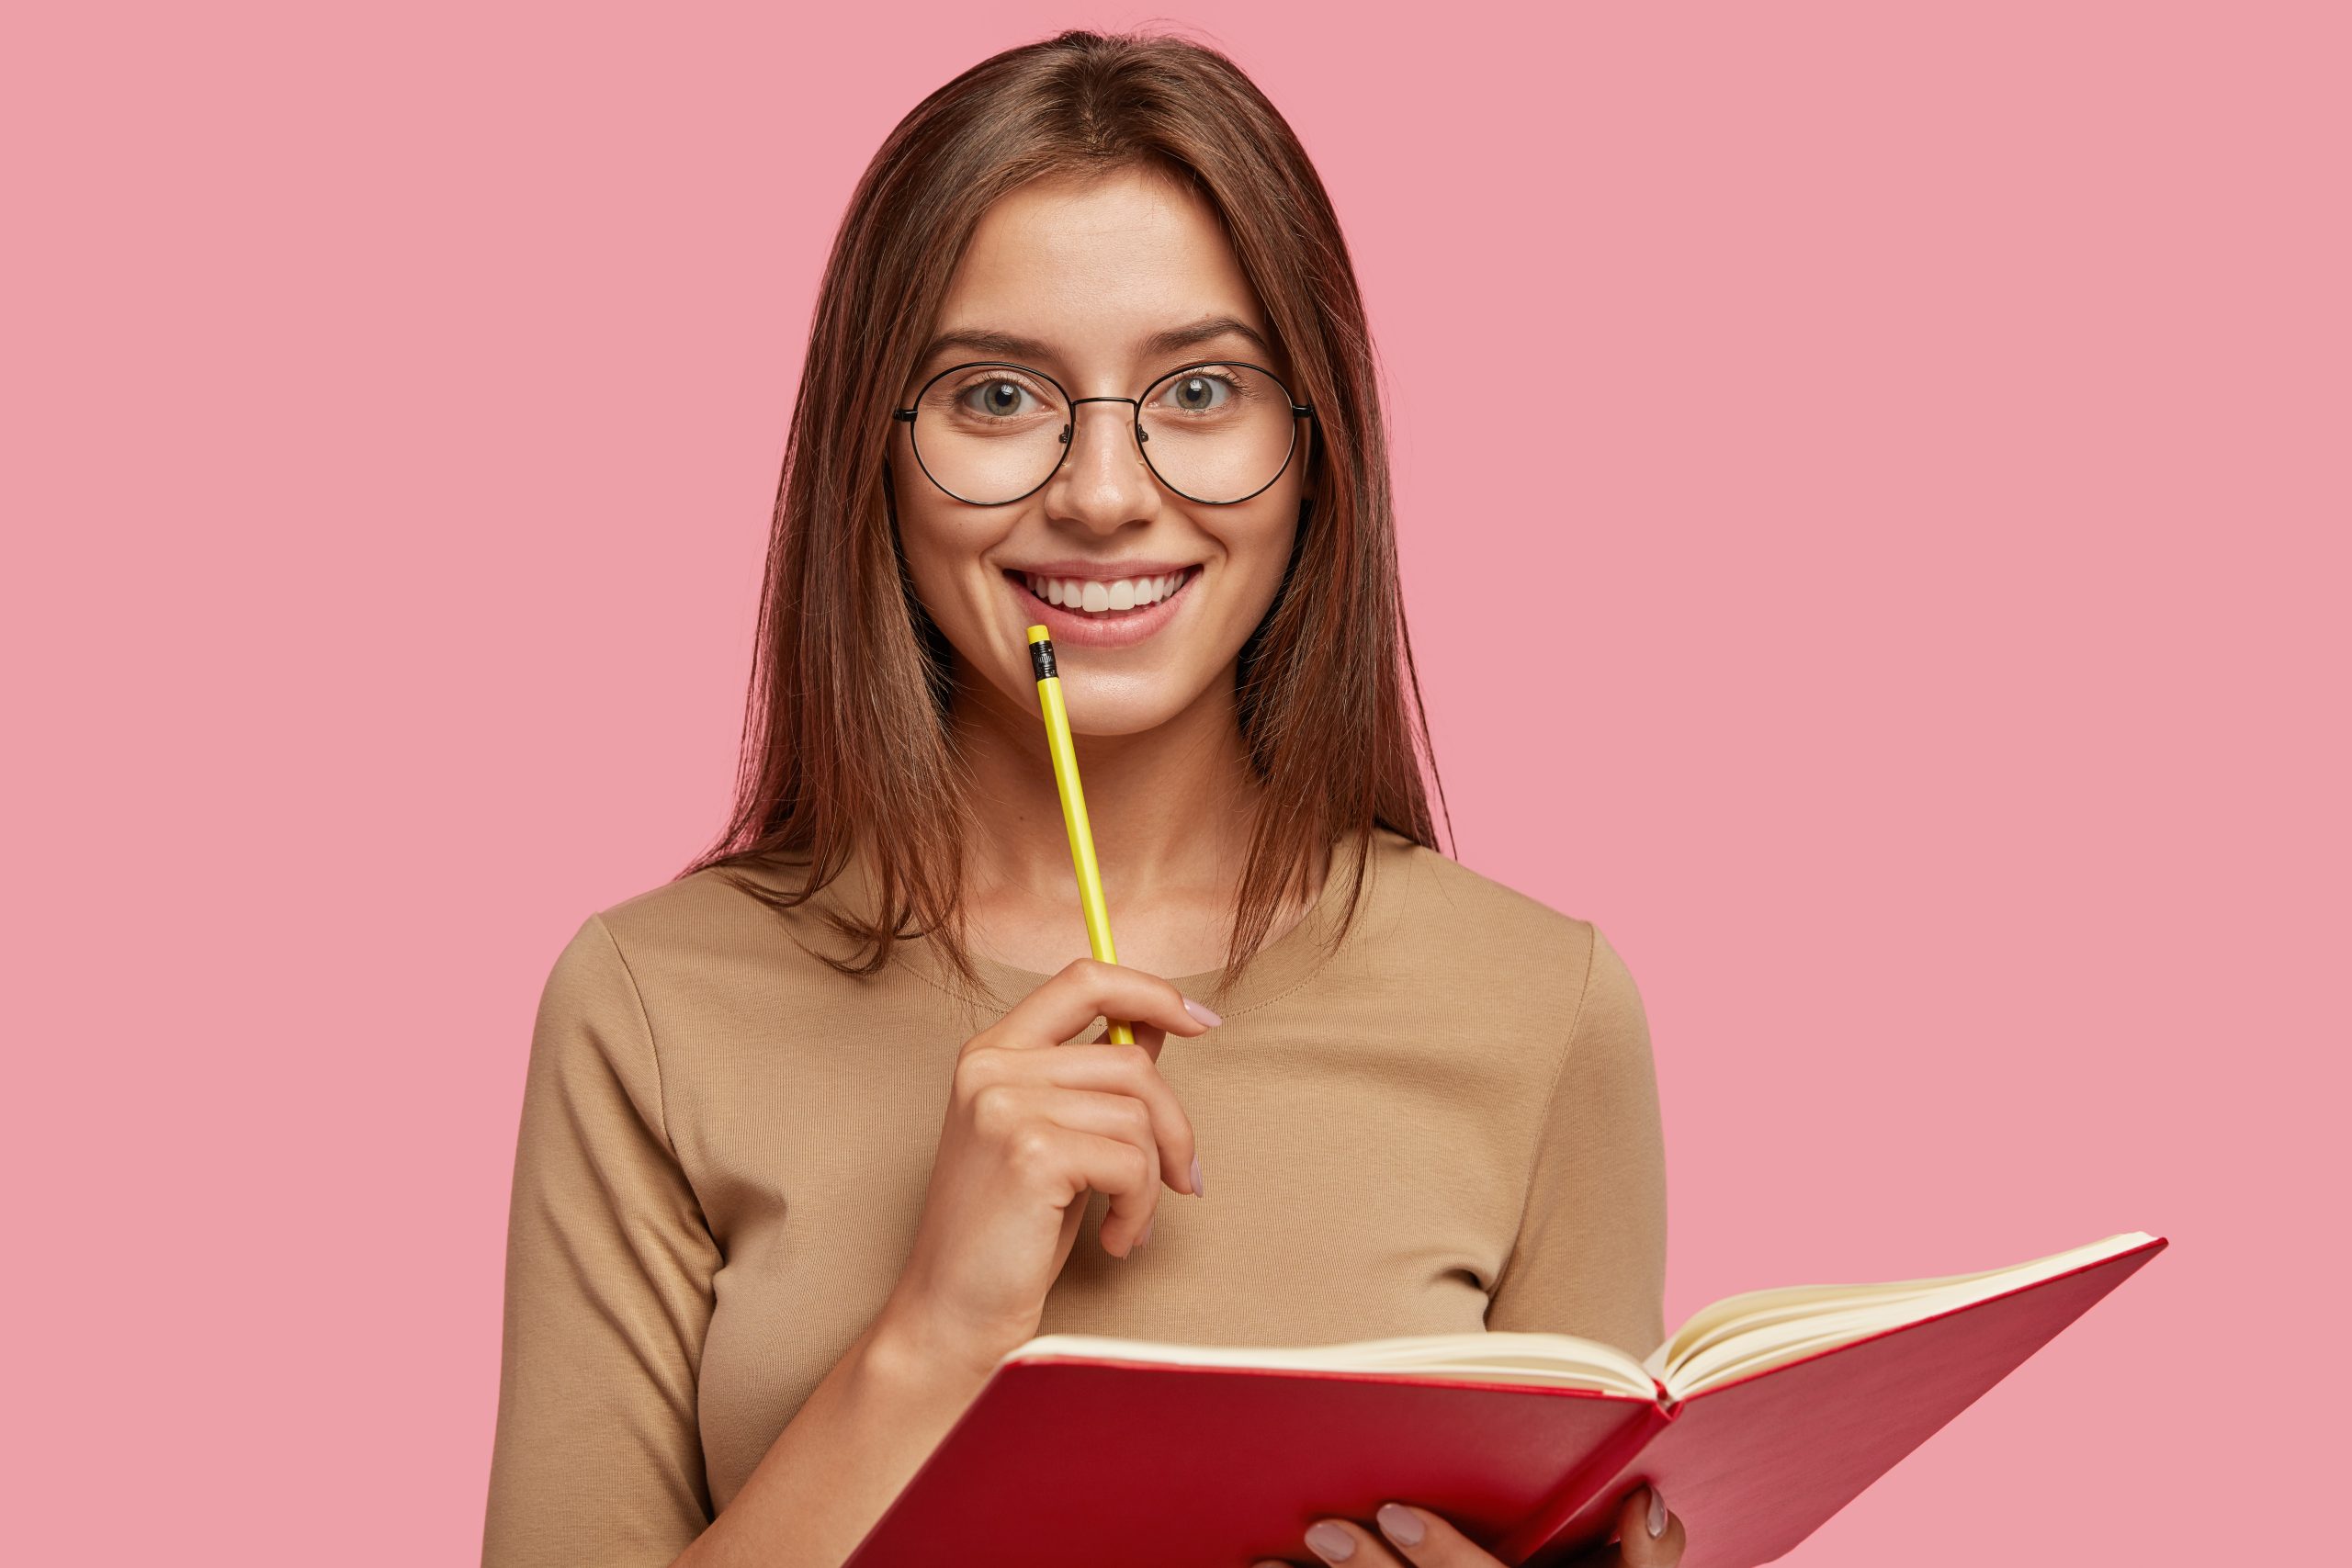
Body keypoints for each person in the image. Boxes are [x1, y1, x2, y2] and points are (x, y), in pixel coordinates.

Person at [481, 27, 1683, 1568]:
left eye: (1199, 389)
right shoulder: (651, 1005)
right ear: (878, 452)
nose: (1104, 493)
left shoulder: (1541, 1006)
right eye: (995, 397)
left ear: (1316, 447)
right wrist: (933, 1338)